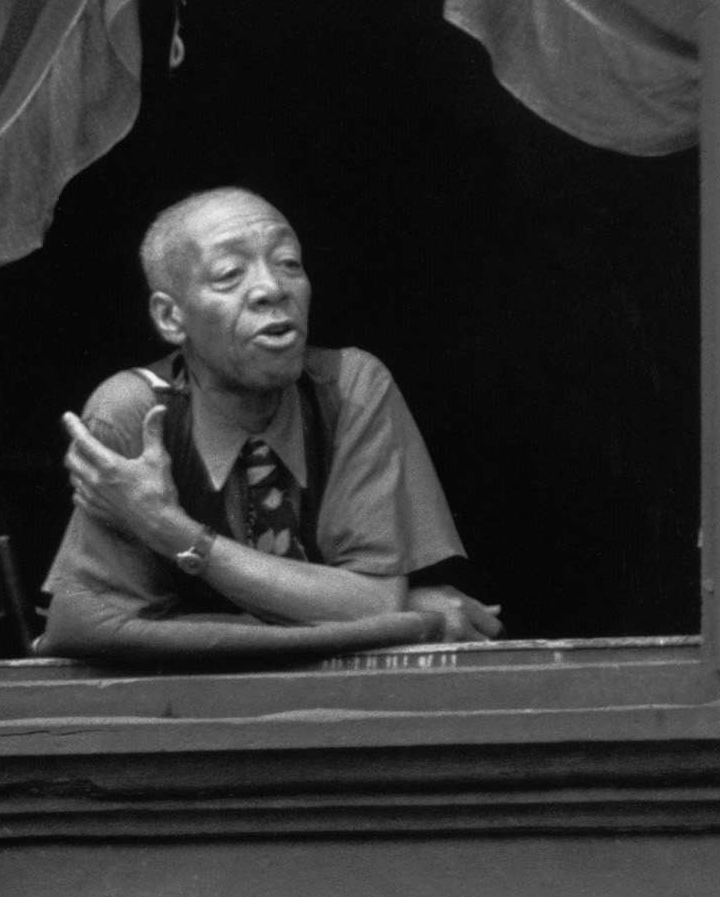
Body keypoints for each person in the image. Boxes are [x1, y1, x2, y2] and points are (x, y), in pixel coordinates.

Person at [36, 186, 504, 662]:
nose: (272, 289)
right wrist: (407, 623)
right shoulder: (136, 414)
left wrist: (174, 532)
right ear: (171, 317)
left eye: (289, 263)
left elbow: (372, 601)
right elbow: (87, 629)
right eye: (230, 274)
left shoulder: (350, 388)